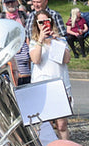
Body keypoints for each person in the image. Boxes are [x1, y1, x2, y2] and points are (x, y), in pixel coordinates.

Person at [29, 10, 71, 138]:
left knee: (62, 125)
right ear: (36, 25)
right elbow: (36, 60)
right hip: (42, 87)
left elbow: (66, 59)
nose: (44, 25)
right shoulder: (33, 42)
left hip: (60, 85)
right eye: (40, 22)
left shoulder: (60, 40)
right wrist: (41, 41)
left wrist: (55, 41)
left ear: (51, 22)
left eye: (46, 21)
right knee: (44, 125)